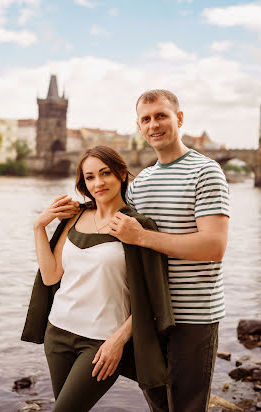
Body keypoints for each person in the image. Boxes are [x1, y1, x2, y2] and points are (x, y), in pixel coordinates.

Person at [21, 145, 174, 412]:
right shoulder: (74, 217)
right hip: (57, 333)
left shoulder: (137, 226)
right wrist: (38, 227)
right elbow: (51, 276)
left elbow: (153, 298)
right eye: (90, 177)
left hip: (100, 342)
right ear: (83, 183)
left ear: (121, 174)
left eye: (105, 173)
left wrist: (118, 341)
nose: (98, 182)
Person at [109, 90, 230, 412]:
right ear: (138, 126)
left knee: (187, 406)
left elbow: (213, 247)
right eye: (146, 119)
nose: (154, 125)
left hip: (192, 314)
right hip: (148, 314)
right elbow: (123, 248)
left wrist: (144, 237)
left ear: (179, 118)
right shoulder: (139, 183)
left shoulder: (206, 171)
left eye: (161, 115)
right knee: (159, 405)